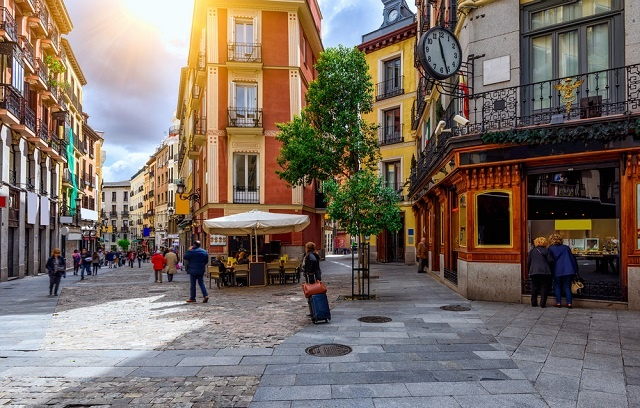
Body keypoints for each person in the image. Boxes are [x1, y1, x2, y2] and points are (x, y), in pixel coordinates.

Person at [548, 234, 579, 308]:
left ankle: (558, 302)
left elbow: (550, 260)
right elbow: (572, 259)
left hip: (557, 269)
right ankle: (569, 303)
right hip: (568, 269)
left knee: (557, 285)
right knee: (567, 286)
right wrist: (575, 270)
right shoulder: (566, 248)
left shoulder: (551, 248)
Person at [527, 236, 554, 308]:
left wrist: (529, 271)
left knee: (534, 287)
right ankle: (543, 304)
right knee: (544, 288)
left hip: (534, 271)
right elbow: (550, 260)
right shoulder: (547, 250)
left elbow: (528, 262)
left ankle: (534, 302)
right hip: (545, 271)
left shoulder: (532, 251)